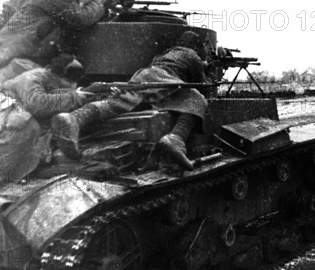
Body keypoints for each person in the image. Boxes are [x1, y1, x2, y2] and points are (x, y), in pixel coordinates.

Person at [51, 31, 209, 170]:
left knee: (119, 102)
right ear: (195, 46)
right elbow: (202, 85)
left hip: (144, 76)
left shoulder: (166, 54)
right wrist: (206, 69)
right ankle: (176, 139)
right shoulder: (192, 55)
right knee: (196, 99)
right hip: (165, 80)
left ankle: (74, 118)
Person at [0, 54, 91, 188]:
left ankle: (9, 174)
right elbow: (37, 104)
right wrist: (73, 97)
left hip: (6, 113)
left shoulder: (51, 80)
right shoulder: (34, 76)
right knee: (26, 125)